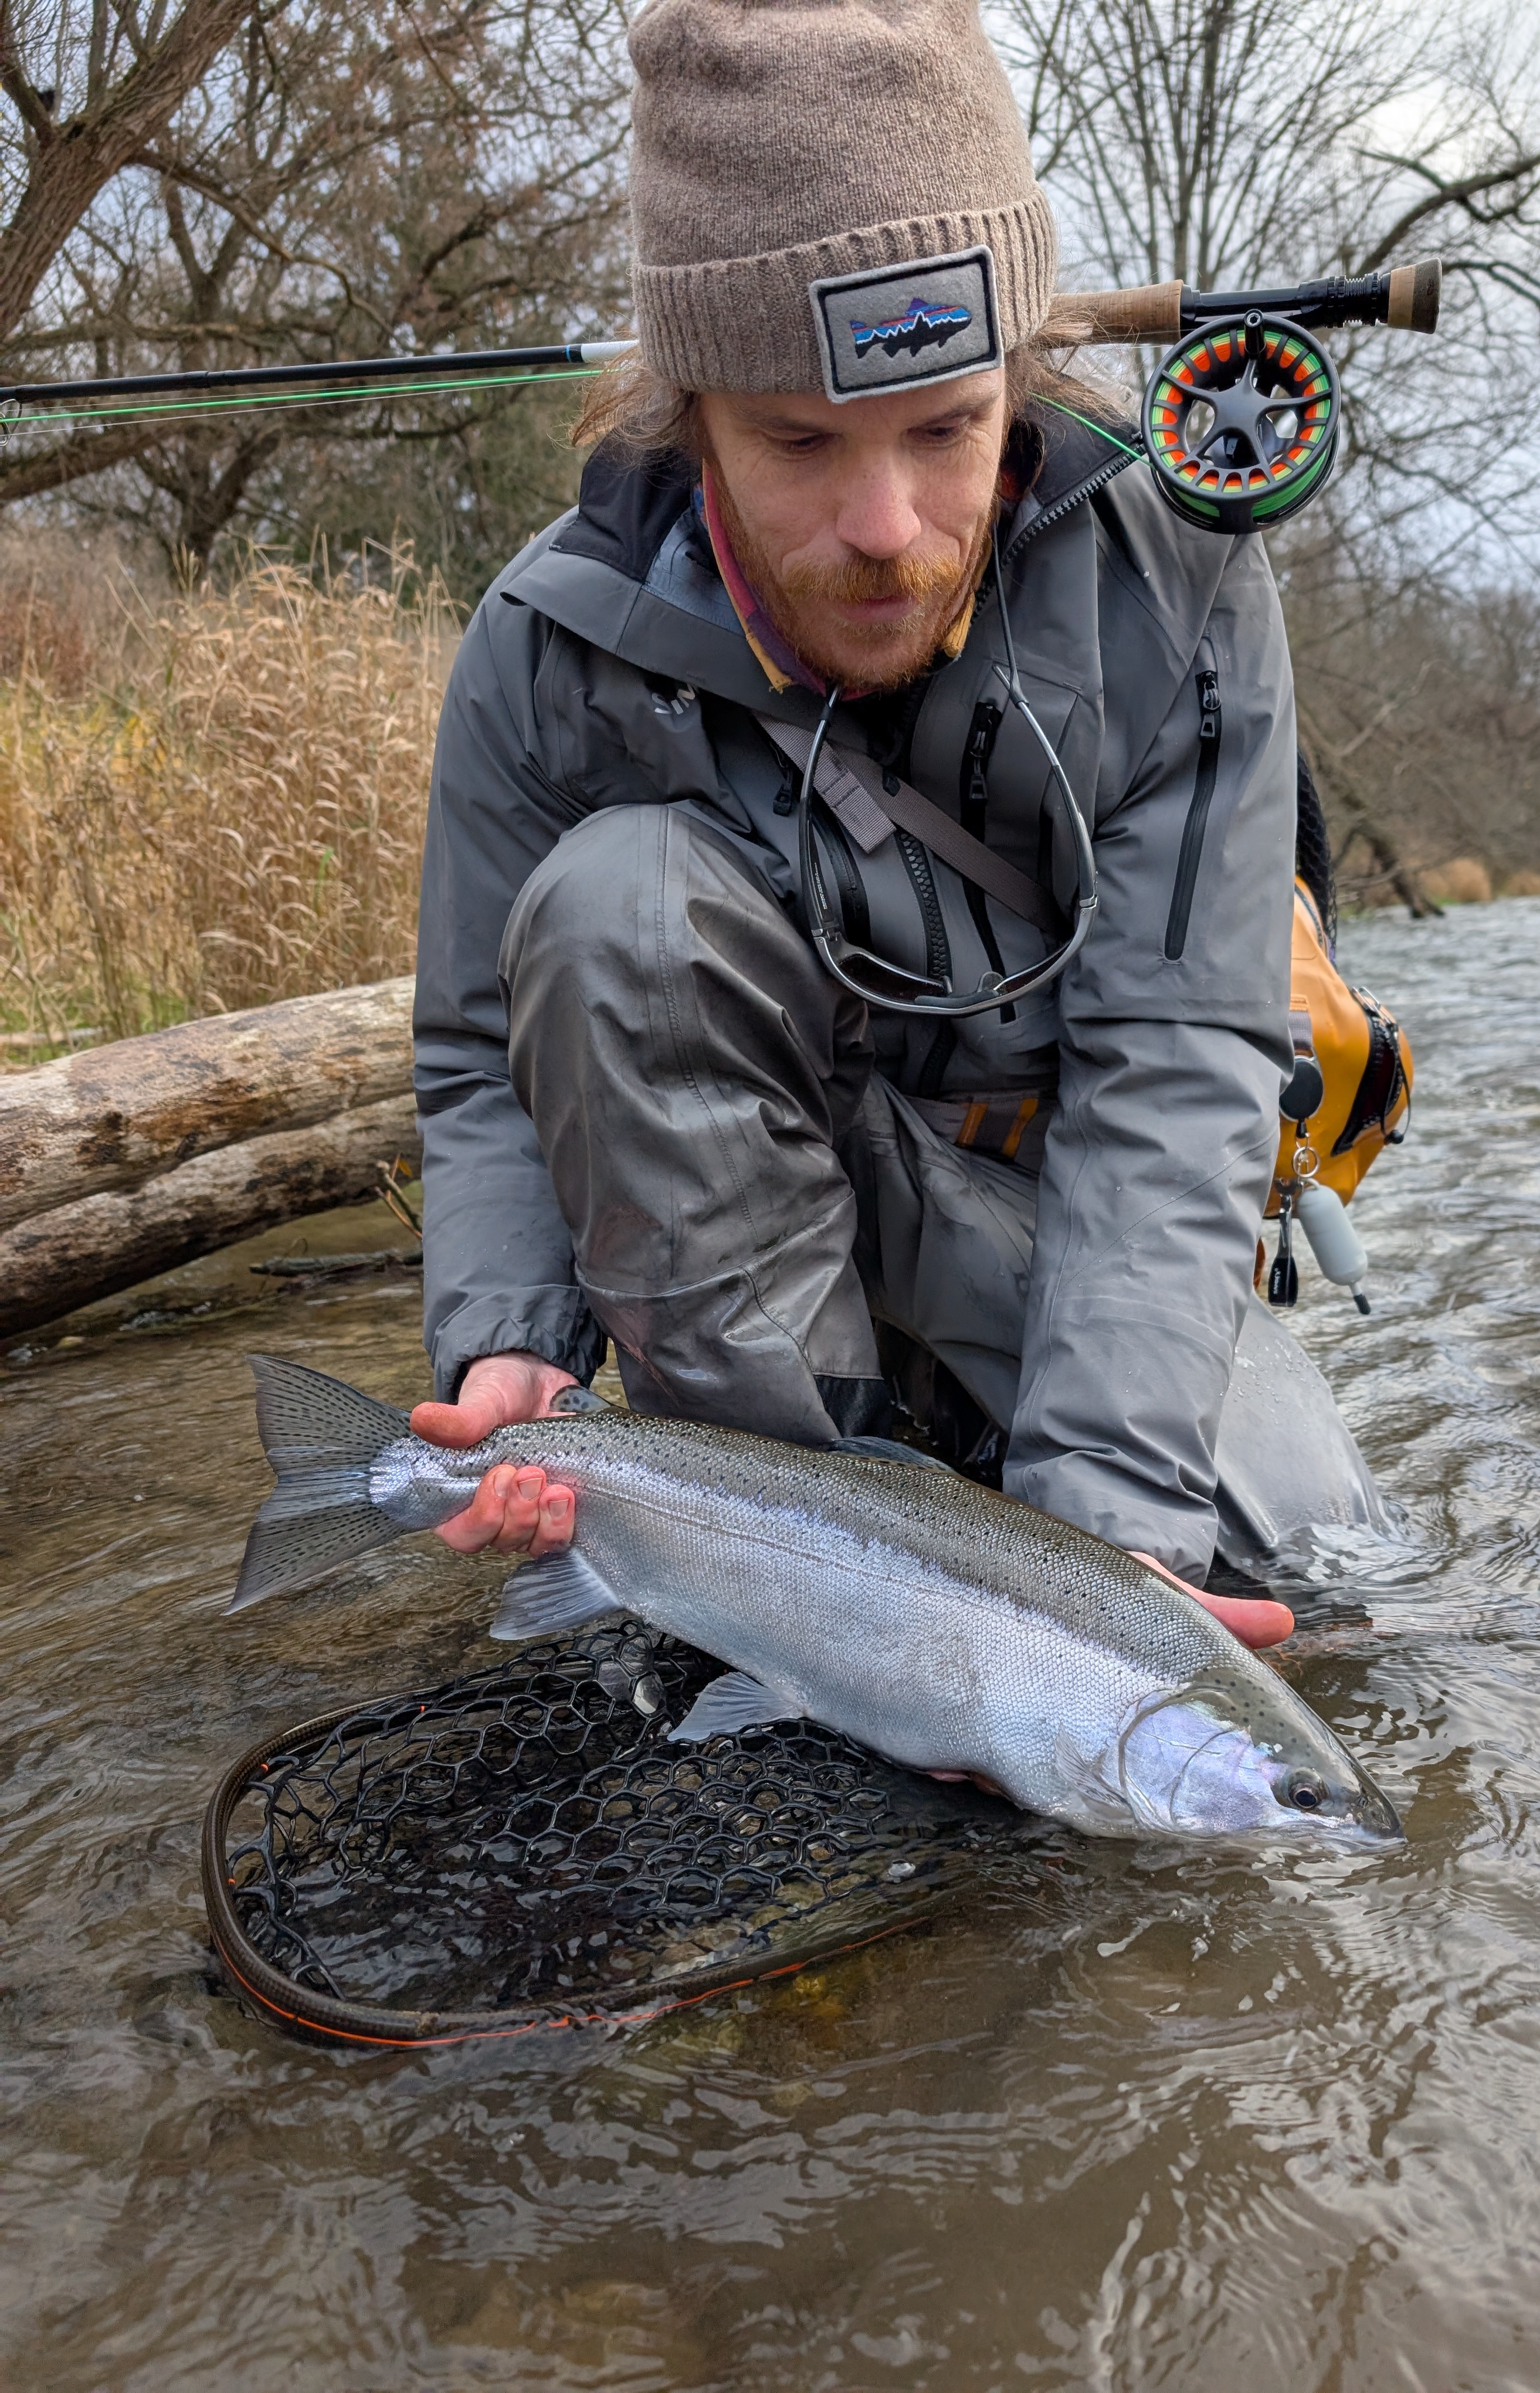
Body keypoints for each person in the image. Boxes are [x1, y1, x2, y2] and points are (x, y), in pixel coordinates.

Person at [408, 0, 1297, 1648]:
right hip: (724, 1299)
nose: (887, 530)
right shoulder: (546, 643)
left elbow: (1177, 1066)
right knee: (614, 906)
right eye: (803, 445)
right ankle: (813, 1602)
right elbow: (475, 1051)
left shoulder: (1178, 586)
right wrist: (506, 1334)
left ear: (1018, 382)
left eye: (946, 430)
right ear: (694, 420)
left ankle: (987, 1542)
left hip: (1048, 1241)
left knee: (1300, 1586)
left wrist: (1103, 1546)